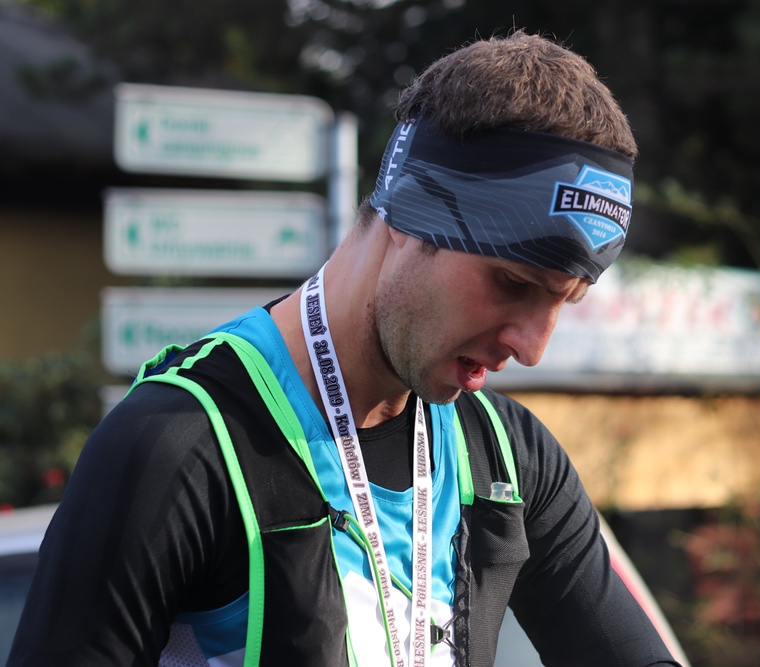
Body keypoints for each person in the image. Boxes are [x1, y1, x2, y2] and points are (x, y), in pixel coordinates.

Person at [9, 30, 678, 667]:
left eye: (566, 301)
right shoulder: (178, 444)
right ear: (411, 209)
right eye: (513, 283)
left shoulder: (506, 456)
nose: (531, 347)